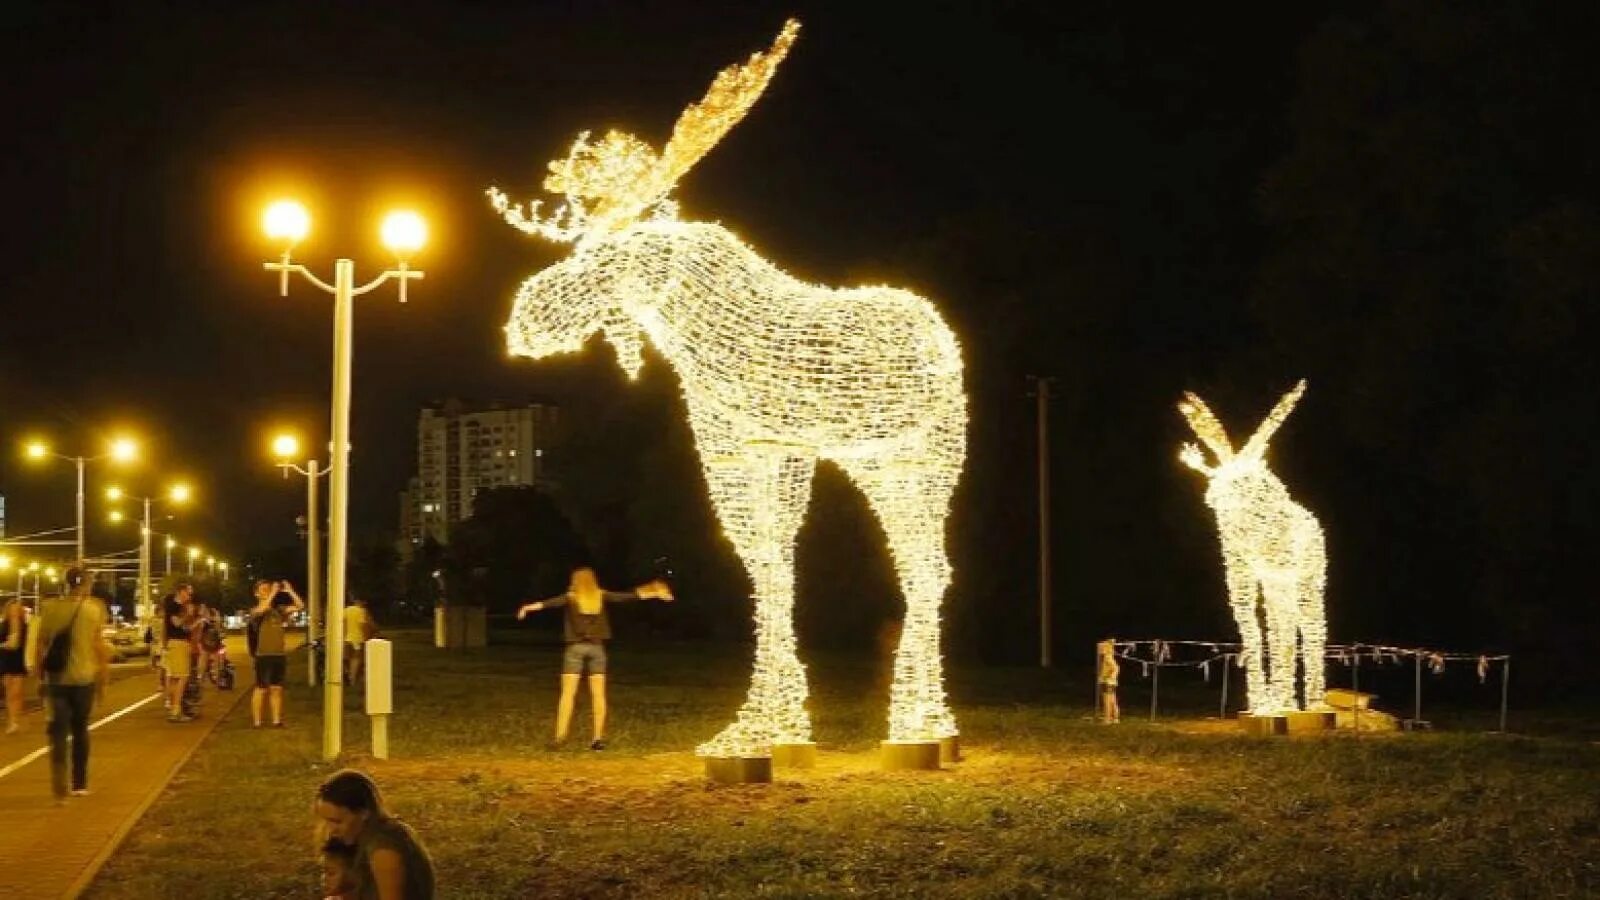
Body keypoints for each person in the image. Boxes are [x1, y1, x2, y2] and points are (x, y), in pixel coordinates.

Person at [517, 567, 673, 750]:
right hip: (597, 649)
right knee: (598, 695)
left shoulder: (571, 597)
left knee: (567, 695)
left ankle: (560, 737)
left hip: (575, 649)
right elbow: (628, 597)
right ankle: (597, 739)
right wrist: (654, 591)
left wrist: (526, 608)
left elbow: (547, 604)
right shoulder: (600, 595)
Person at [25, 567, 111, 800]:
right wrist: (103, 680)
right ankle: (79, 784)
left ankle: (59, 782)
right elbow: (98, 646)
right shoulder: (94, 610)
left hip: (57, 680)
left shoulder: (50, 608)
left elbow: (41, 646)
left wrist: (40, 677)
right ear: (85, 585)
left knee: (58, 731)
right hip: (84, 678)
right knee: (80, 730)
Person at [314, 769, 435, 900]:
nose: (330, 830)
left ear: (363, 813)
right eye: (326, 821)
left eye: (337, 821)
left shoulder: (384, 851)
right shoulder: (368, 836)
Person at [249, 579, 304, 727]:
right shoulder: (256, 611)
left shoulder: (278, 610)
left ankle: (276, 721)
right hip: (263, 655)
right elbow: (262, 609)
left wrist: (290, 591)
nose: (267, 591)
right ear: (256, 594)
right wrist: (273, 592)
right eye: (263, 589)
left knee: (276, 688)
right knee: (261, 688)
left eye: (268, 588)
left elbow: (299, 606)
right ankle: (257, 722)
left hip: (279, 654)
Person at [163, 581, 198, 722]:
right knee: (182, 677)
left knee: (175, 678)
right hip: (177, 644)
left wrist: (196, 623)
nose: (190, 596)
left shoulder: (179, 606)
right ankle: (176, 710)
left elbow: (185, 629)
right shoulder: (173, 605)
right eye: (188, 593)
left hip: (178, 643)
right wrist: (187, 615)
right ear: (181, 592)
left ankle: (174, 708)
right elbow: (176, 623)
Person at [0, 594, 30, 734]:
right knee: (9, 693)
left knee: (16, 693)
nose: (14, 612)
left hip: (18, 661)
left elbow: (21, 644)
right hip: (6, 660)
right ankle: (12, 719)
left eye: (17, 609)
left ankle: (15, 720)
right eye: (12, 609)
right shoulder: (3, 625)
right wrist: (6, 644)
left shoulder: (25, 626)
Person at [343, 596, 375, 685]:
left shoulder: (346, 610)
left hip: (347, 639)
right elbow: (363, 626)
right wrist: (367, 637)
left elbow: (343, 624)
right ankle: (352, 679)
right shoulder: (361, 611)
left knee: (348, 659)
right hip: (358, 639)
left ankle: (348, 676)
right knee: (356, 659)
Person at [1097, 637, 1121, 724]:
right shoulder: (1109, 656)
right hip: (1110, 681)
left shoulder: (1107, 657)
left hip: (1108, 682)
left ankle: (1107, 718)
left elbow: (1116, 668)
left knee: (1107, 701)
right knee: (1113, 700)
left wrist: (1110, 677)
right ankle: (1115, 718)